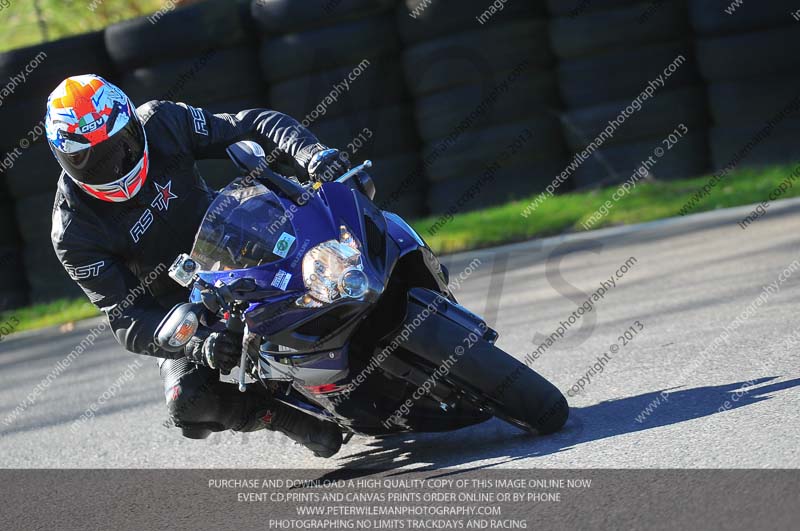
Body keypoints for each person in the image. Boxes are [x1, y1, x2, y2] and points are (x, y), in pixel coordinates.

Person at [47, 74, 349, 457]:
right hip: (184, 310)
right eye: (89, 159)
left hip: (241, 241)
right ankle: (290, 419)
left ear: (133, 124)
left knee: (336, 229)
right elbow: (125, 317)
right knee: (186, 403)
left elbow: (250, 123)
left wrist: (311, 154)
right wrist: (193, 343)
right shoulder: (73, 229)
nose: (111, 165)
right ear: (61, 157)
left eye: (118, 146)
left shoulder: (163, 121)